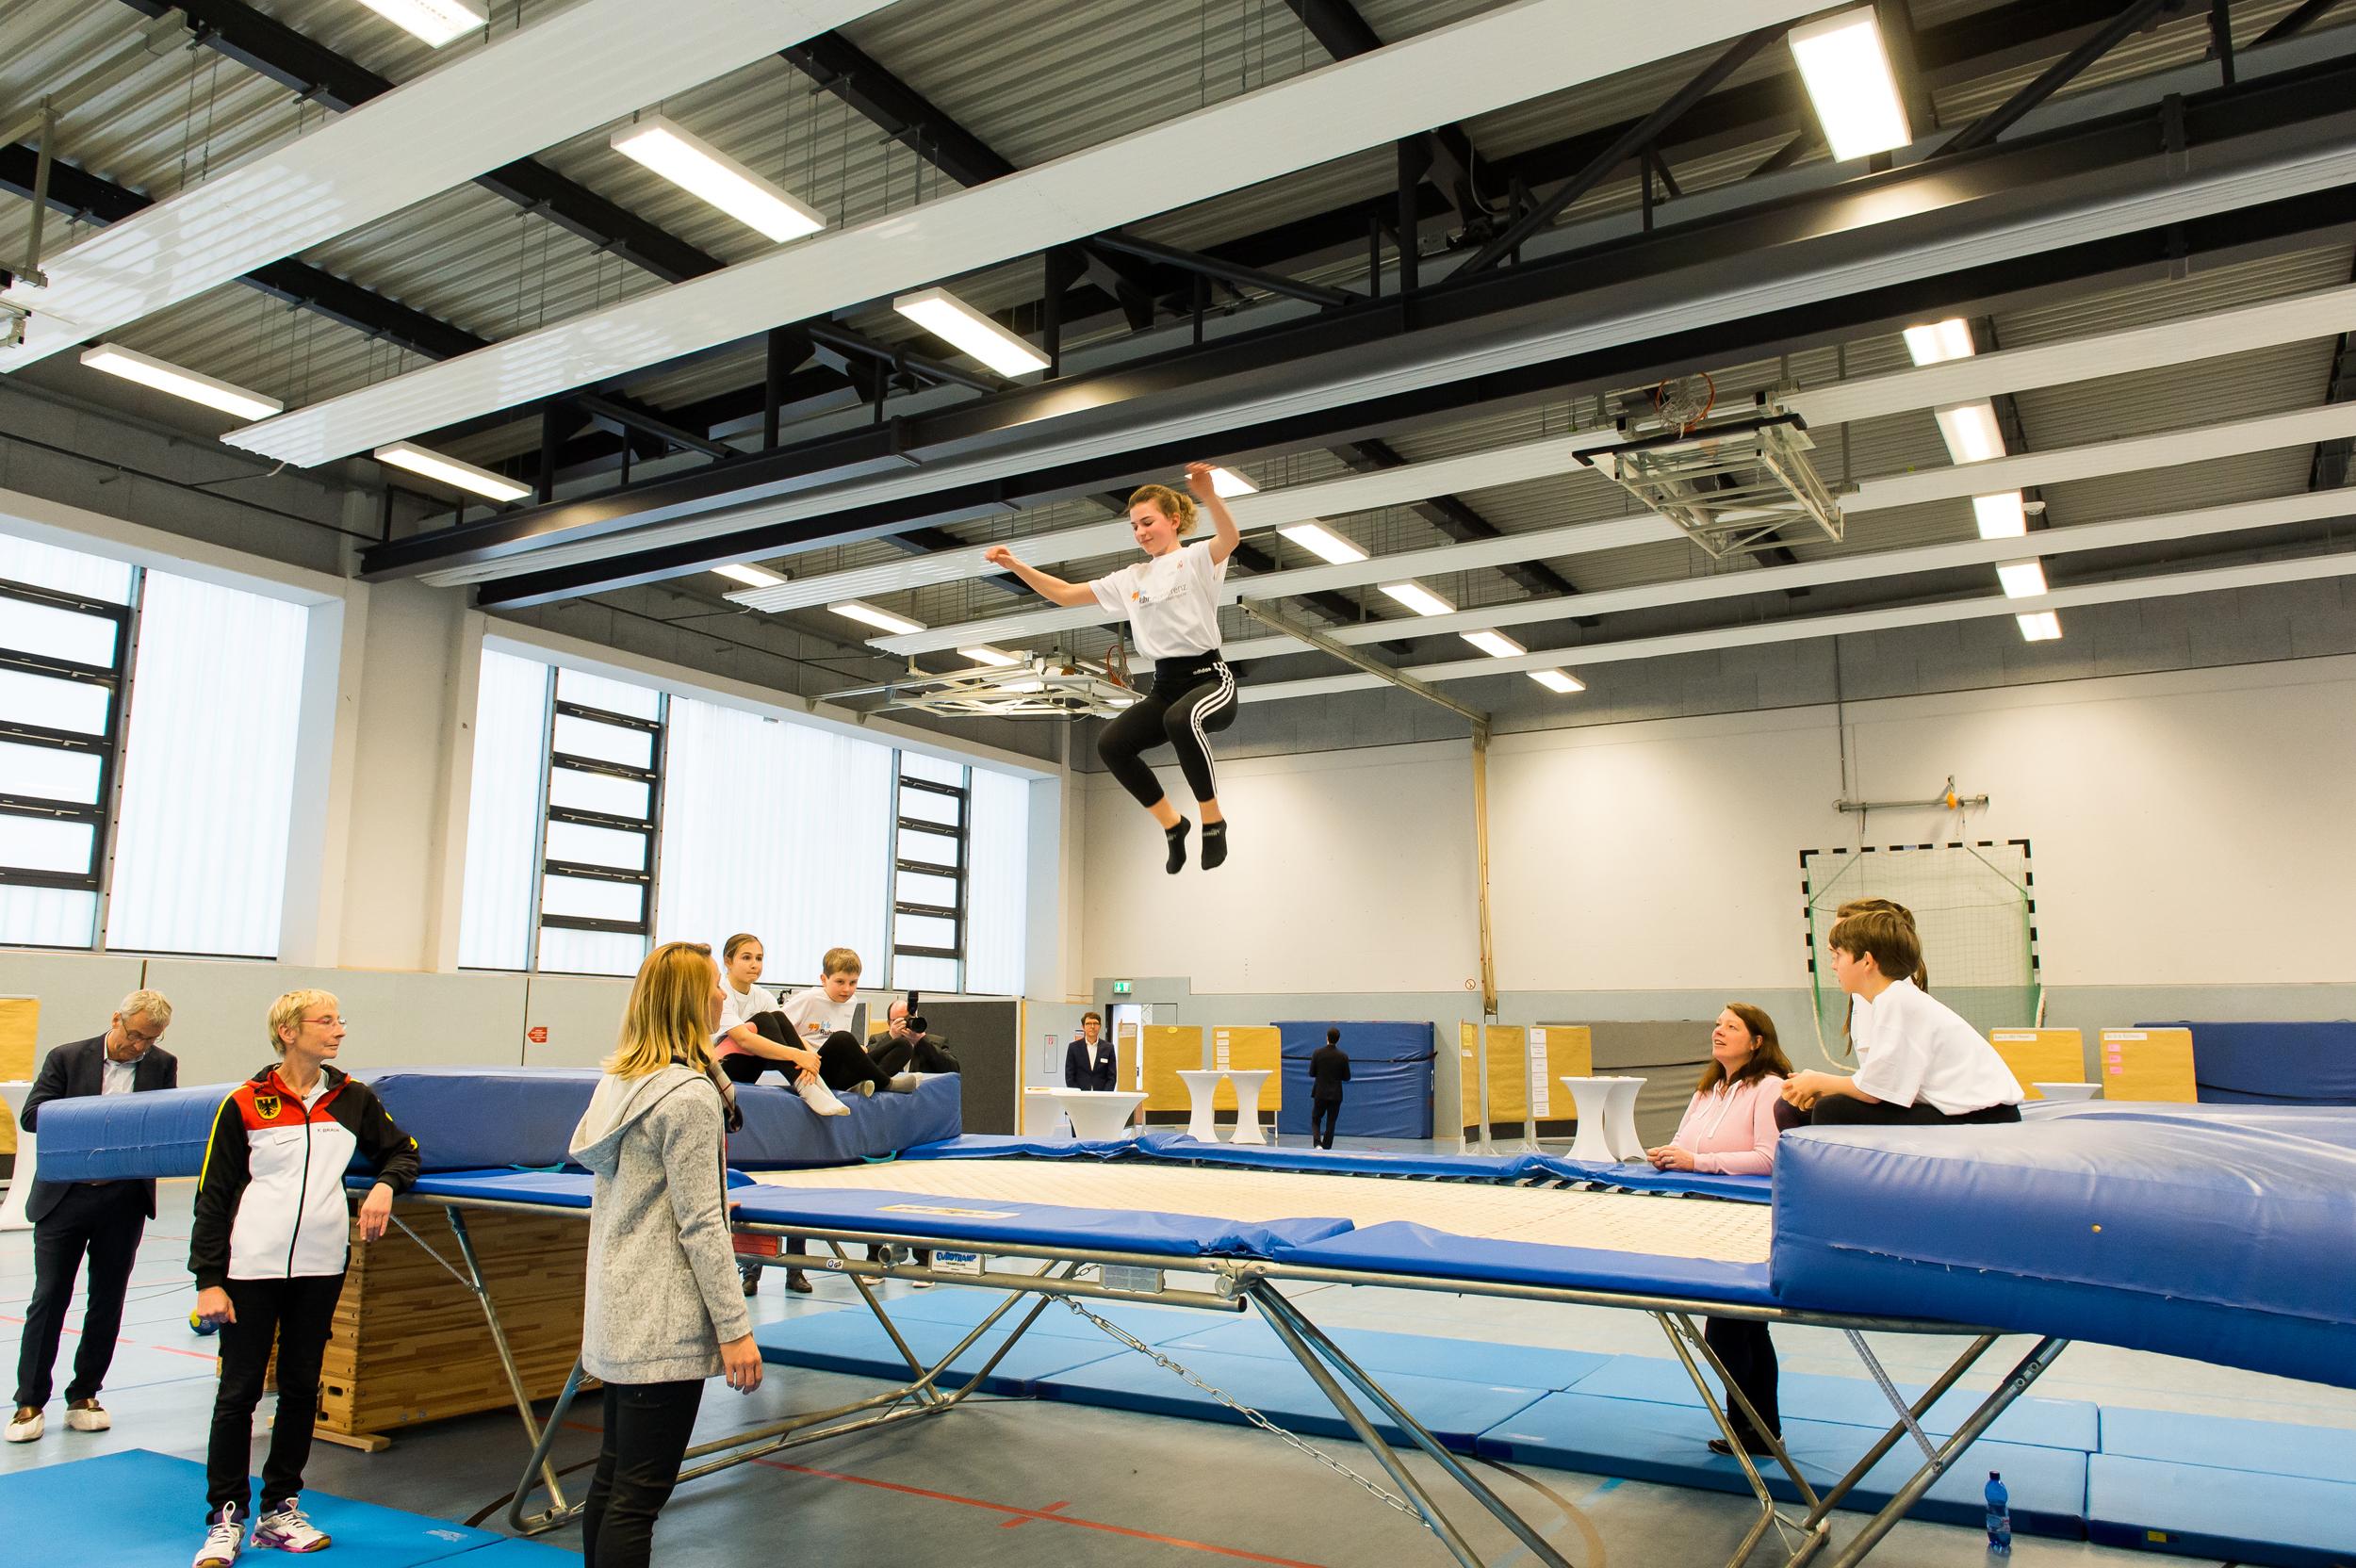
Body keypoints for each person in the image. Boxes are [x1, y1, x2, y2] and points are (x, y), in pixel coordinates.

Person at [189, 991, 419, 1567]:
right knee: (238, 1392)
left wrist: (387, 1186)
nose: (339, 1030)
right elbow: (212, 1196)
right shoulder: (245, 1102)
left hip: (320, 1266)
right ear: (289, 1032)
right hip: (248, 1270)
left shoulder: (353, 1099)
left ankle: (279, 1509)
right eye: (326, 1021)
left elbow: (404, 1152)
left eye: (341, 1019)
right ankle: (225, 1517)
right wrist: (209, 1279)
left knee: (300, 1387)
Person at [568, 942, 764, 1568]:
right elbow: (700, 1228)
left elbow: (660, 1193)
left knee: (613, 1480)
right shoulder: (687, 1097)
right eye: (713, 985)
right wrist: (735, 1330)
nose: (721, 996)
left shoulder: (622, 1082)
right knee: (639, 1497)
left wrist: (701, 1194)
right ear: (688, 999)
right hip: (664, 1318)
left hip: (619, 1305)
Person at [985, 462, 1242, 874]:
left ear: (1174, 520)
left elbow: (1230, 538)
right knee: (1111, 744)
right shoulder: (1132, 578)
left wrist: (1209, 495)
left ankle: (1213, 820)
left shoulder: (1196, 559)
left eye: (1148, 522)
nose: (1140, 532)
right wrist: (1017, 566)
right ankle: (1173, 825)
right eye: (1134, 527)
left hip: (1209, 678)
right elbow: (1067, 595)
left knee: (1181, 719)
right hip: (1165, 684)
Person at [8, 990, 180, 1446]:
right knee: (49, 1298)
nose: (139, 1047)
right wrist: (98, 1121)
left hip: (122, 1202)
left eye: (150, 1040)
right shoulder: (66, 1057)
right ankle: (29, 1401)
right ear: (116, 1020)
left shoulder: (162, 1064)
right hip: (63, 1200)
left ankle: (85, 1394)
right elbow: (32, 1116)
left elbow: (162, 1123)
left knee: (107, 1299)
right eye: (135, 1035)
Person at [1645, 1004, 1796, 1457]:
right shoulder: (1707, 1089)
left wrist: (1700, 1163)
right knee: (1747, 1329)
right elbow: (1684, 1142)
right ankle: (1761, 1432)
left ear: (1756, 1041)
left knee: (1727, 1332)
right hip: (1703, 1219)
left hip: (1745, 1218)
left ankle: (1751, 1429)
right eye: (1716, 1024)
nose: (1718, 1031)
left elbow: (1770, 1158)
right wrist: (1668, 1154)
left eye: (1731, 1026)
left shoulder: (1770, 1088)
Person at [1783, 907, 2023, 1126]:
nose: (1834, 966)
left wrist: (1818, 1081)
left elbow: (1873, 1091)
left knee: (1832, 1110)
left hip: (1985, 1116)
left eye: (1838, 956)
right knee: (1804, 1108)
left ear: (1866, 960)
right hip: (1974, 1112)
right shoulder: (1891, 998)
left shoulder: (1895, 1000)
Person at [709, 932, 849, 1119]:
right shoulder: (721, 993)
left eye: (759, 958)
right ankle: (808, 1089)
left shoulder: (762, 996)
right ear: (728, 961)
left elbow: (788, 1032)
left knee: (777, 1018)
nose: (754, 964)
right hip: (722, 1068)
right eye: (746, 957)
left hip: (752, 1065)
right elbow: (743, 1039)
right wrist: (798, 1055)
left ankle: (818, 1087)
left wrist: (810, 1060)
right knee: (765, 1019)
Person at [872, 998, 959, 1078]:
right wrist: (891, 1038)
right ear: (889, 1023)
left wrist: (921, 1041)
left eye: (908, 1019)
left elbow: (953, 1069)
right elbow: (866, 1064)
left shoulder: (935, 1042)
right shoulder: (877, 1040)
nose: (905, 1025)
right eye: (899, 1021)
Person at [1308, 1027, 1350, 1150]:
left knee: (1316, 1119)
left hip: (1320, 1093)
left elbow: (1312, 1073)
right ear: (1338, 1040)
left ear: (1327, 1037)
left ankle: (1317, 1144)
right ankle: (1327, 1147)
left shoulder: (1317, 1053)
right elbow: (1347, 1077)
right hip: (1336, 1095)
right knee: (1331, 1122)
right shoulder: (1343, 1056)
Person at [1064, 1012, 1117, 1091]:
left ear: (1100, 1026)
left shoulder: (1109, 1048)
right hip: (1080, 1095)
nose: (1092, 1026)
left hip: (1102, 1095)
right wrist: (1077, 1093)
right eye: (1088, 1023)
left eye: (1095, 1023)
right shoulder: (1073, 1047)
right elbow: (1069, 1076)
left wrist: (1105, 1095)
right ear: (1083, 1027)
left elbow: (1112, 1077)